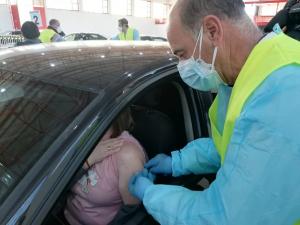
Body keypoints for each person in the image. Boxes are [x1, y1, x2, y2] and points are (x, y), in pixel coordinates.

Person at [128, 0, 300, 225]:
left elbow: (223, 217)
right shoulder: (256, 72)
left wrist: (150, 195)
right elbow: (232, 146)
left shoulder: (280, 92)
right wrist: (177, 162)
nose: (183, 66)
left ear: (212, 31)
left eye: (182, 54)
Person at [64, 108, 147, 225]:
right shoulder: (80, 139)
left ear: (113, 120)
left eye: (95, 122)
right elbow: (58, 185)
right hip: (64, 215)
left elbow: (131, 212)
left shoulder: (128, 156)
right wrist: (87, 162)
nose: (86, 129)